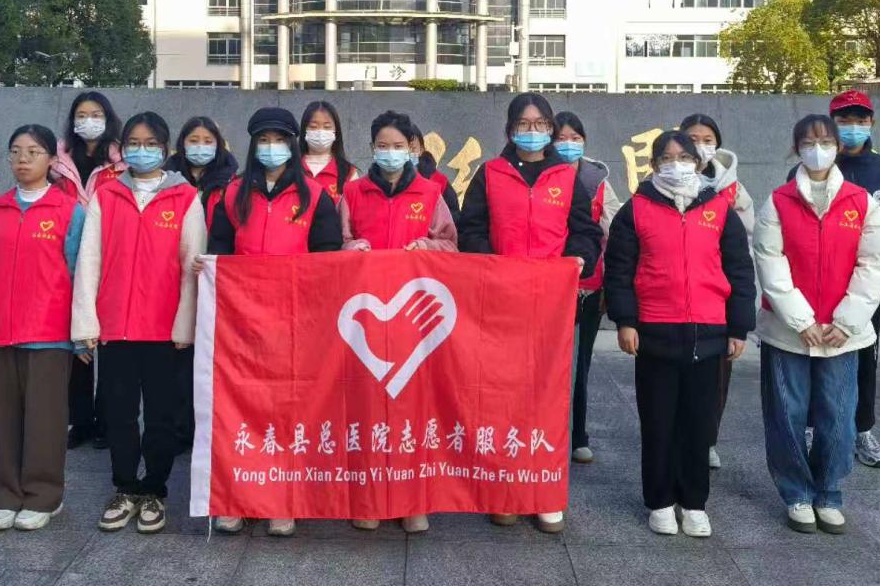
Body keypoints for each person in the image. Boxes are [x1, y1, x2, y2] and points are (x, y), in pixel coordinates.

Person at [458, 92, 603, 534]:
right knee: (500, 397)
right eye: (524, 123)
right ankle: (505, 491)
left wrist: (578, 258)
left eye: (541, 124)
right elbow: (471, 230)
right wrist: (493, 266)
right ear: (510, 129)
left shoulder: (566, 177)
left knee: (548, 397)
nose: (533, 130)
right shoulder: (490, 173)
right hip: (500, 304)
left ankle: (544, 493)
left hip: (550, 307)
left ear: (551, 129)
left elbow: (585, 232)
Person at [604, 130, 755, 538]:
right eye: (667, 159)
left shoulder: (718, 208)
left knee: (698, 424)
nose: (676, 165)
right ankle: (659, 501)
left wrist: (739, 326)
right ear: (654, 165)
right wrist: (625, 320)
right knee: (658, 422)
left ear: (698, 162)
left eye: (684, 157)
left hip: (709, 331)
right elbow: (619, 270)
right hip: (655, 331)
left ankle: (694, 502)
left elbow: (739, 269)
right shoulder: (636, 210)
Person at [206, 106, 344, 537]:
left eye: (280, 140)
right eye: (263, 140)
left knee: (288, 410)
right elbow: (219, 251)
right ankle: (237, 497)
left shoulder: (315, 197)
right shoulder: (232, 195)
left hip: (294, 322)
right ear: (253, 145)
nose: (271, 148)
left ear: (293, 145)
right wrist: (207, 267)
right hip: (242, 322)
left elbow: (327, 260)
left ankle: (283, 499)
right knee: (241, 407)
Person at [755, 114, 880, 534]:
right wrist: (799, 319)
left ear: (837, 146)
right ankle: (796, 492)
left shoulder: (861, 202)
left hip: (841, 334)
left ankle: (829, 492)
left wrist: (847, 321)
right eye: (809, 142)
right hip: (788, 332)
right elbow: (770, 262)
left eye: (825, 141)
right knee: (787, 414)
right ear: (796, 148)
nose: (818, 149)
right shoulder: (778, 201)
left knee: (839, 415)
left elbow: (875, 263)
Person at [72, 111, 204, 535]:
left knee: (162, 416)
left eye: (150, 144)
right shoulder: (107, 195)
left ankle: (155, 490)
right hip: (116, 327)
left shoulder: (185, 197)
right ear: (122, 148)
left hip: (164, 330)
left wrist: (185, 326)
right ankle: (126, 487)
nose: (141, 150)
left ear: (165, 149)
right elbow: (88, 261)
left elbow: (191, 266)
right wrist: (86, 324)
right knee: (119, 414)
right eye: (133, 143)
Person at [340, 110, 458, 535]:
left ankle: (413, 500)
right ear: (372, 148)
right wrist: (351, 248)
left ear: (412, 149)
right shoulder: (353, 193)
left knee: (413, 409)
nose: (390, 153)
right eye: (382, 146)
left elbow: (451, 245)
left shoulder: (431, 192)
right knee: (367, 409)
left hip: (413, 323)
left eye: (398, 146)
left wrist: (426, 247)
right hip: (366, 320)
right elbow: (335, 243)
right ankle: (370, 498)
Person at [0, 124, 85, 532]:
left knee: (45, 419)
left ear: (52, 160)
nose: (23, 159)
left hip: (49, 332)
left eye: (33, 152)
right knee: (2, 419)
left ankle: (43, 496)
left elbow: (79, 274)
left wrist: (81, 332)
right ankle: (4, 496)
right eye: (16, 151)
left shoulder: (69, 210)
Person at [827, 90, 880, 469]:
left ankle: (862, 430)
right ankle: (813, 426)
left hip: (868, 291)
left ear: (872, 123)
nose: (853, 127)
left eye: (860, 120)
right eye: (844, 120)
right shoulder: (816, 169)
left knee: (865, 360)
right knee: (815, 357)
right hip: (821, 285)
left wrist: (868, 278)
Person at [680, 113, 755, 471]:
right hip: (675, 297)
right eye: (692, 138)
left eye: (707, 139)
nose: (700, 146)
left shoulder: (733, 190)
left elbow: (747, 244)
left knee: (717, 375)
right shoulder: (660, 182)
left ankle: (707, 438)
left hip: (718, 297)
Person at [52, 91, 126, 451]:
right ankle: (79, 421)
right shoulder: (58, 161)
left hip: (110, 256)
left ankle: (107, 421)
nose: (88, 121)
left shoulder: (122, 162)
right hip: (68, 257)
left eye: (96, 114)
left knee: (109, 344)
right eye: (81, 115)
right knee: (77, 344)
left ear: (108, 118)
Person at [165, 115, 238, 456]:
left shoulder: (231, 182)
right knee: (176, 355)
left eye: (207, 141)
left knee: (208, 356)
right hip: (172, 276)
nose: (200, 147)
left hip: (214, 277)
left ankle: (206, 427)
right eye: (193, 140)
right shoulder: (166, 180)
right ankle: (178, 428)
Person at [552, 110, 621, 466]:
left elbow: (616, 229)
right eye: (561, 138)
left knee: (580, 364)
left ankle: (578, 434)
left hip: (587, 288)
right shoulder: (541, 177)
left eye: (575, 138)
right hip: (549, 287)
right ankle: (547, 433)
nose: (568, 145)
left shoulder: (598, 182)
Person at [299, 99, 358, 203]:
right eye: (313, 127)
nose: (320, 132)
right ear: (304, 130)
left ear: (336, 131)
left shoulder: (348, 172)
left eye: (327, 127)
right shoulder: (291, 168)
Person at [408, 122, 462, 223]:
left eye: (412, 149)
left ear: (422, 149)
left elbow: (454, 218)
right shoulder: (378, 182)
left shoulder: (439, 182)